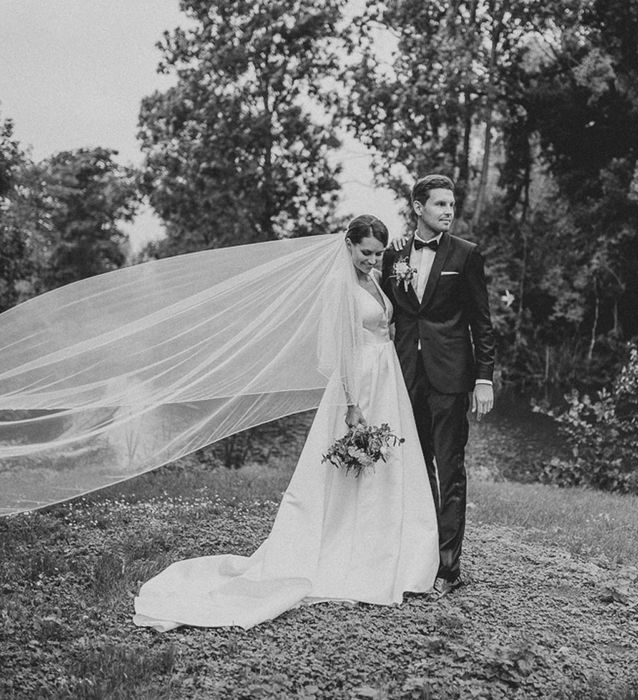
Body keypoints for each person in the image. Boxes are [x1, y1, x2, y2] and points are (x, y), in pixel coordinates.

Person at [132, 215, 439, 630]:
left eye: (379, 254)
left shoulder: (375, 282)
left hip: (388, 381)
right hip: (359, 386)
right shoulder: (339, 285)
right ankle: (342, 550)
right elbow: (340, 347)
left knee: (389, 467)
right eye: (365, 252)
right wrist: (351, 403)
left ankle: (388, 549)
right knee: (350, 468)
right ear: (348, 246)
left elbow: (385, 328)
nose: (372, 260)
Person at [381, 175, 495, 597]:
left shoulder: (466, 255)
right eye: (440, 204)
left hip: (450, 379)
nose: (449, 211)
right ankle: (419, 554)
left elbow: (481, 323)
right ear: (418, 207)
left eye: (451, 205)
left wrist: (483, 378)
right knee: (414, 470)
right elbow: (389, 311)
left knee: (450, 472)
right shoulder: (393, 255)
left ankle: (448, 568)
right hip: (406, 374)